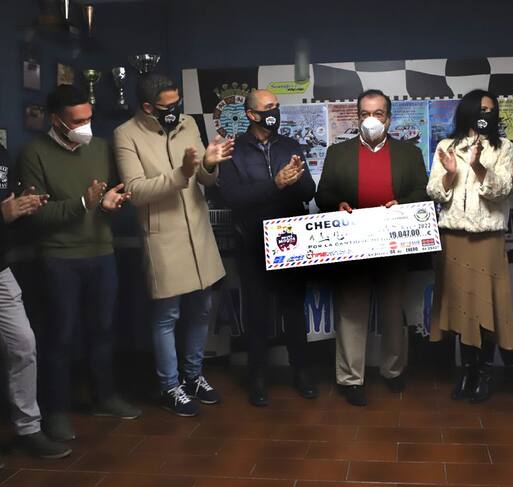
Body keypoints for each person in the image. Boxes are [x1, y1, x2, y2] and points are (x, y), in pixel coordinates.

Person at [18, 84, 140, 443]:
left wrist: (110, 203)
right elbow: (35, 214)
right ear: (55, 120)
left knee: (103, 330)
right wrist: (83, 204)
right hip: (58, 258)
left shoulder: (99, 147)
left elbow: (111, 196)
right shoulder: (34, 153)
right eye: (77, 121)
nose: (86, 125)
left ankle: (104, 397)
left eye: (89, 118)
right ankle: (55, 411)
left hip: (102, 253)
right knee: (60, 336)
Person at [114, 73, 234, 416]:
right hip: (163, 237)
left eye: (177, 103)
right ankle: (169, 386)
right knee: (167, 316)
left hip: (199, 233)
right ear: (147, 107)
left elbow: (204, 177)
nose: (175, 111)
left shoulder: (187, 124)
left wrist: (209, 163)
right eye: (167, 106)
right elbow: (136, 191)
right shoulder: (126, 134)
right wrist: (181, 173)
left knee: (202, 310)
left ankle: (193, 376)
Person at [316, 89, 428, 406]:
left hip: (393, 245)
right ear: (357, 117)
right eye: (365, 114)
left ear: (388, 118)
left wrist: (401, 204)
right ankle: (350, 379)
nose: (371, 120)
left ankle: (394, 371)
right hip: (353, 247)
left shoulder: (409, 153)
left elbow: (423, 191)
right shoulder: (338, 153)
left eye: (378, 113)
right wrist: (337, 204)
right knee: (351, 312)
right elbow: (323, 194)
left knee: (393, 310)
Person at [218, 89, 318, 406]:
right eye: (268, 107)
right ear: (251, 114)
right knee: (257, 313)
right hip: (252, 243)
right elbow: (234, 198)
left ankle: (301, 372)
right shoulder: (233, 151)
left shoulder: (290, 145)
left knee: (294, 311)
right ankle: (257, 378)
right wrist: (276, 184)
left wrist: (296, 179)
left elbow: (309, 191)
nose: (274, 111)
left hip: (290, 242)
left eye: (276, 106)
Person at [427, 89, 513, 403]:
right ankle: (466, 371)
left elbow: (501, 191)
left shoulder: (504, 147)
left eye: (491, 109)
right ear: (467, 111)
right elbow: (434, 191)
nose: (485, 114)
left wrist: (479, 167)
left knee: (485, 306)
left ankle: (484, 372)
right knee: (459, 306)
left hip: (487, 239)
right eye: (480, 108)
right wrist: (450, 175)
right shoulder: (446, 146)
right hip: (454, 238)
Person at [0, 144, 71, 460]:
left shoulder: (2, 154)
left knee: (23, 343)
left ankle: (28, 429)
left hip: (1, 269)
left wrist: (23, 207)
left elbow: (7, 211)